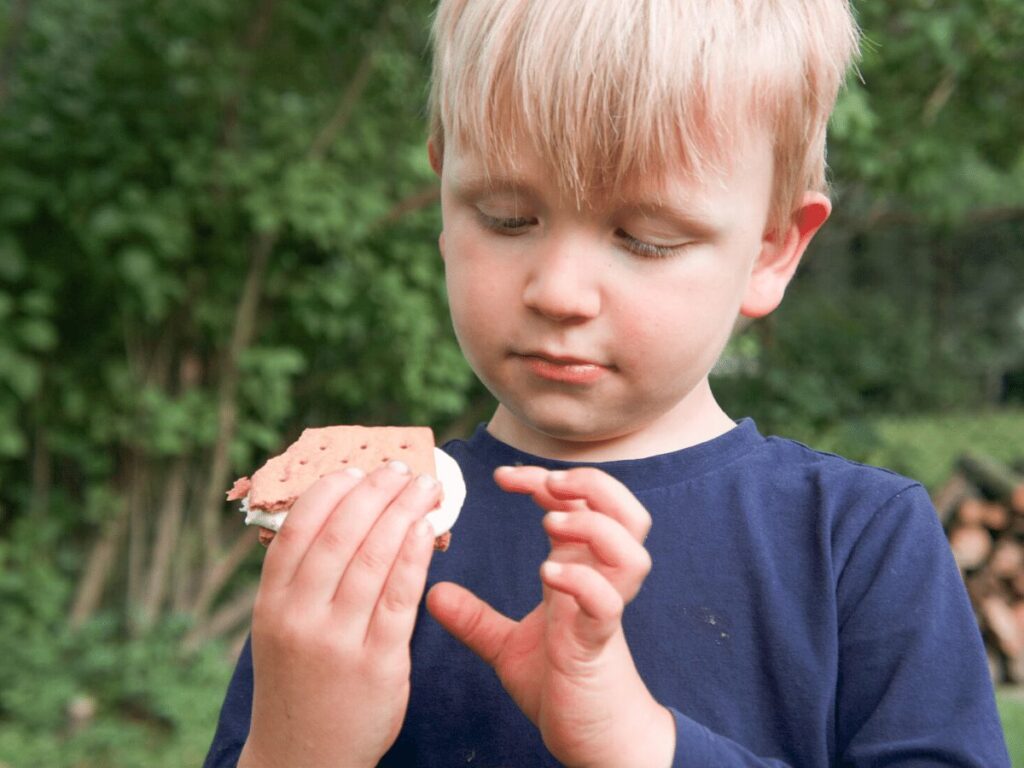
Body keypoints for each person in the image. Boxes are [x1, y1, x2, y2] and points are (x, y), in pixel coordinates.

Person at [204, 0, 1010, 765]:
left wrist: (644, 745)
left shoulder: (861, 542)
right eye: (506, 216)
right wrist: (298, 743)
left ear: (770, 251)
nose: (558, 289)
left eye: (647, 238)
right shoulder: (363, 535)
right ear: (446, 200)